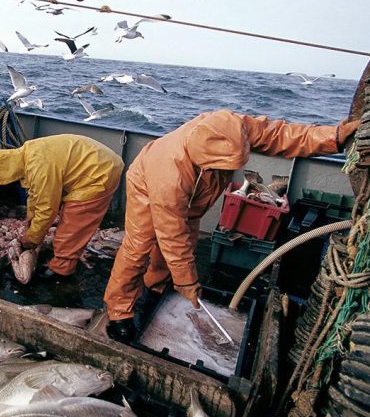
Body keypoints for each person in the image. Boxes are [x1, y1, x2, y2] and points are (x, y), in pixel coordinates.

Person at [104, 110, 360, 343]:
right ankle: (119, 311)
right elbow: (172, 235)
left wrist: (333, 137)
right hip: (148, 187)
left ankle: (154, 288)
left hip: (195, 196)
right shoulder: (169, 174)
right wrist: (187, 282)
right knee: (139, 247)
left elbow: (281, 135)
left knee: (183, 246)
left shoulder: (236, 127)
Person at [0, 134, 124, 280]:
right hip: (96, 162)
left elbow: (47, 211)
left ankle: (61, 271)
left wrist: (31, 239)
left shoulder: (40, 168)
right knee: (63, 218)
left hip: (100, 173)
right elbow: (35, 194)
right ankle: (61, 259)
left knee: (72, 225)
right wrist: (30, 219)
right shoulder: (28, 152)